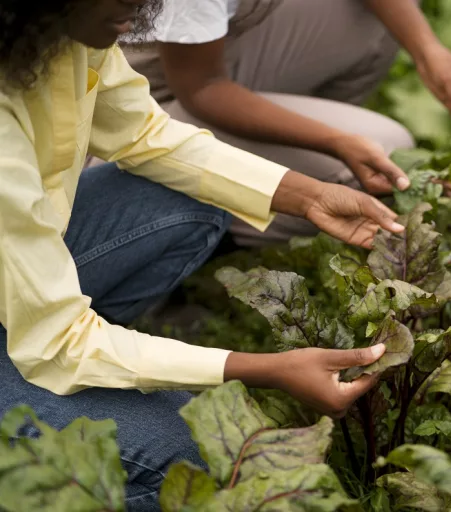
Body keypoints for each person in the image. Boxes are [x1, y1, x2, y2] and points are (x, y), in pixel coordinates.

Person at [0, 1, 404, 510]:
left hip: (21, 268)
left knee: (197, 198)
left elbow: (145, 133)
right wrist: (266, 368)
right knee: (186, 452)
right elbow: (60, 341)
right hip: (34, 312)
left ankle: (95, 365)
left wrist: (308, 194)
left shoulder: (62, 35)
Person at [118, 0, 451, 247]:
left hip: (211, 51)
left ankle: (285, 159)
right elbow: (202, 88)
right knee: (380, 156)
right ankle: (205, 225)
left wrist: (429, 51)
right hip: (149, 92)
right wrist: (335, 140)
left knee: (372, 20)